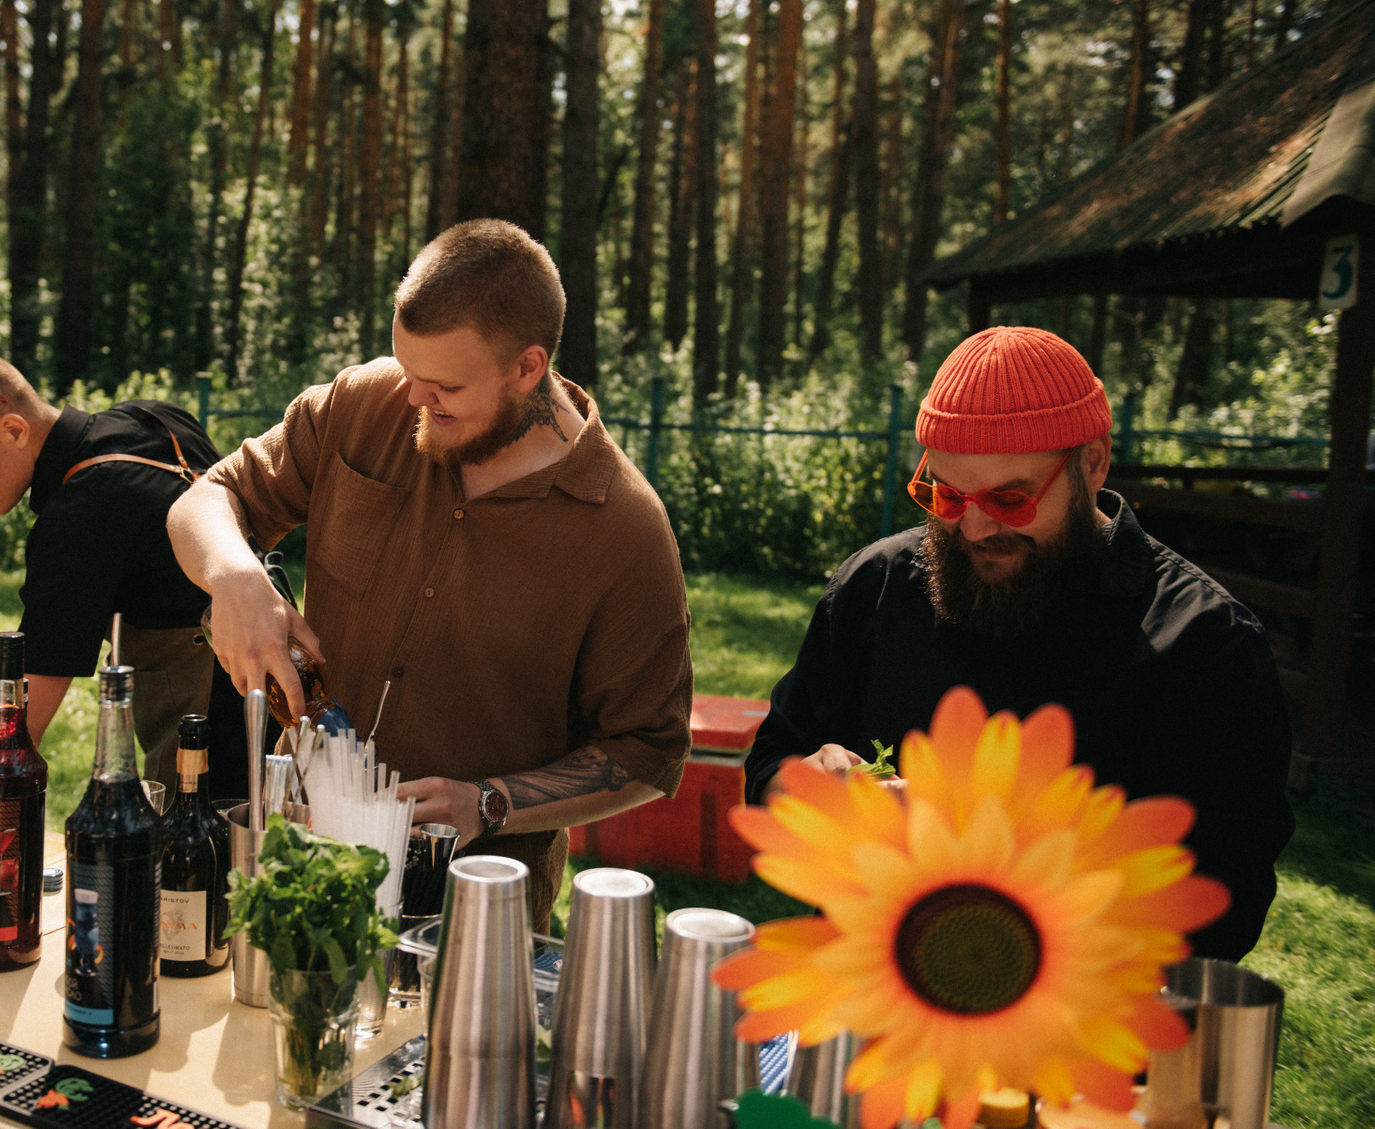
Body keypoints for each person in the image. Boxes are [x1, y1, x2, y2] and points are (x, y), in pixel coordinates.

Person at [168, 219, 695, 929]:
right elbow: (207, 499)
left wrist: (490, 802)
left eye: (445, 385)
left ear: (527, 368)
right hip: (301, 864)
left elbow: (649, 752)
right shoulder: (364, 403)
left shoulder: (626, 531)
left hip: (474, 911)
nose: (414, 399)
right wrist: (233, 575)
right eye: (407, 369)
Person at [746, 325, 1294, 961]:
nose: (976, 528)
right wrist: (808, 790)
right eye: (948, 495)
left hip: (1080, 1010)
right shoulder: (875, 588)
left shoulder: (1204, 644)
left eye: (1010, 498)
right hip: (865, 987)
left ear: (1093, 463)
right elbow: (771, 764)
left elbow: (1225, 908)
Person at [0, 345, 255, 797]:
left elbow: (16, 732)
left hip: (219, 742)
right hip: (289, 682)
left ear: (13, 429)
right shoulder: (153, 417)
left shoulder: (78, 516)